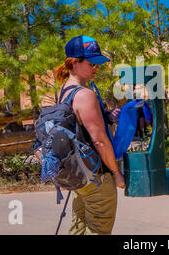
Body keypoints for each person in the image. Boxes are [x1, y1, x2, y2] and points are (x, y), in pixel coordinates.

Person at [54, 35, 124, 235]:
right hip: (97, 177)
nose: (96, 67)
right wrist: (116, 173)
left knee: (79, 227)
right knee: (97, 230)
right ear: (75, 63)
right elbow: (99, 140)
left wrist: (107, 116)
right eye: (92, 63)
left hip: (79, 175)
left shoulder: (65, 91)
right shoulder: (85, 95)